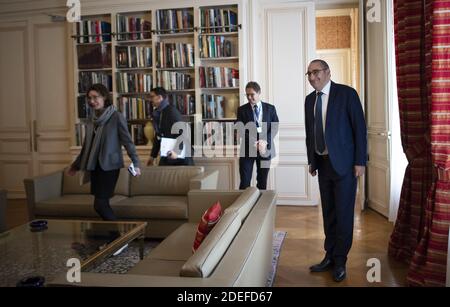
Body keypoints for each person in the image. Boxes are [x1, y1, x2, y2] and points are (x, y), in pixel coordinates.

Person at [304, 59, 367, 282]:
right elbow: (310, 134)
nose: (312, 77)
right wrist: (312, 161)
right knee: (328, 213)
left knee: (343, 214)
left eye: (316, 72)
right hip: (323, 165)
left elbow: (360, 129)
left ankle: (340, 260)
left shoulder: (347, 94)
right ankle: (329, 255)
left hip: (346, 165)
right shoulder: (309, 100)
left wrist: (360, 161)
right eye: (309, 74)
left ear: (328, 72)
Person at [68, 83, 141, 221]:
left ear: (105, 97)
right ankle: (112, 238)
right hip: (94, 167)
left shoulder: (116, 117)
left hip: (109, 167)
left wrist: (136, 162)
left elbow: (128, 142)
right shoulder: (92, 119)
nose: (92, 101)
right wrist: (75, 165)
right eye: (89, 98)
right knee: (102, 204)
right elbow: (86, 147)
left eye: (96, 97)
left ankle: (120, 238)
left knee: (100, 205)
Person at [236, 81, 279, 190]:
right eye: (247, 95)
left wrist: (265, 142)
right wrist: (253, 142)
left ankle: (260, 206)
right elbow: (240, 129)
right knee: (245, 182)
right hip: (247, 150)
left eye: (252, 94)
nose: (249, 97)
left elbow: (274, 127)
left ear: (259, 93)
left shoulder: (270, 108)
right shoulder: (241, 110)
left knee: (262, 182)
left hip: (265, 150)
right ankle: (244, 207)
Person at [146, 87, 194, 166]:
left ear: (159, 97)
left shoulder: (171, 111)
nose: (150, 99)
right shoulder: (158, 113)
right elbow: (158, 136)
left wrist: (176, 151)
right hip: (168, 152)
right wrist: (152, 156)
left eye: (152, 96)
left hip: (180, 155)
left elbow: (183, 133)